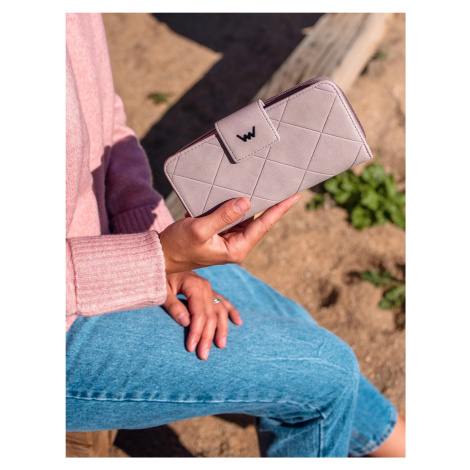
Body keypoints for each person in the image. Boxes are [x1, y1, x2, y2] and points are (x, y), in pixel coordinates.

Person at [66, 13, 405, 457]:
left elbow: (106, 123)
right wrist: (153, 261)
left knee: (294, 322)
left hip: (101, 249)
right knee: (325, 372)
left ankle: (401, 446)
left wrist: (148, 236)